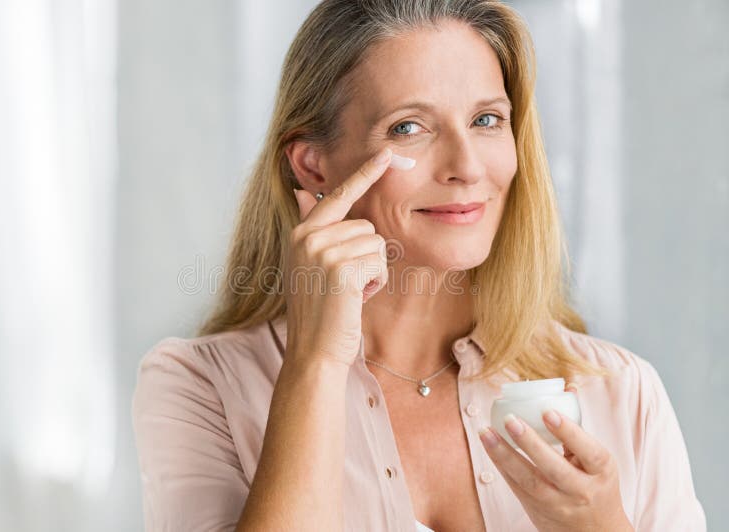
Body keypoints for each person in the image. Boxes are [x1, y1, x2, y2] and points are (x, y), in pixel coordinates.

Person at [131, 1, 707, 530]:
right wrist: (316, 364)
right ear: (312, 166)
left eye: (486, 120)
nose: (466, 166)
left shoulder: (623, 394)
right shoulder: (201, 388)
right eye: (409, 127)